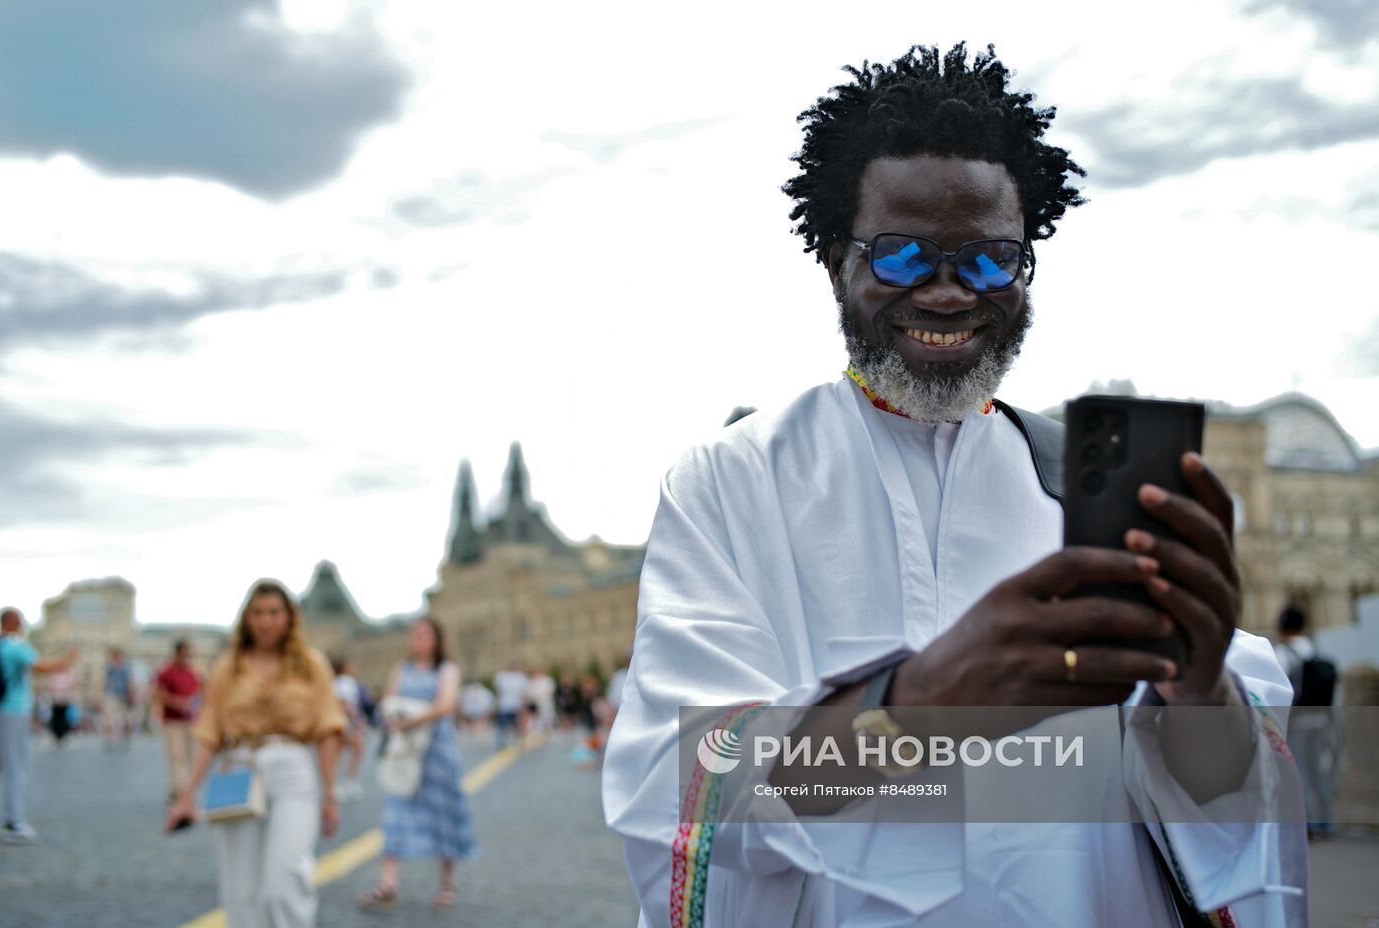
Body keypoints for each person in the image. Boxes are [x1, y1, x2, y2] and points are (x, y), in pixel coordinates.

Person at [602, 43, 1305, 927]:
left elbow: (1238, 810)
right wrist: (927, 702)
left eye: (986, 261)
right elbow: (686, 781)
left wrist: (1201, 697)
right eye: (902, 257)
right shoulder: (730, 484)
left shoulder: (1088, 494)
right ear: (833, 261)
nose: (946, 293)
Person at [164, 580, 345, 928]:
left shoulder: (311, 664)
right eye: (258, 613)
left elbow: (327, 729)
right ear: (246, 618)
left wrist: (331, 795)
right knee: (240, 885)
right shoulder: (228, 667)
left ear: (290, 617)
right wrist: (187, 796)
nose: (266, 622)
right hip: (238, 766)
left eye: (274, 613)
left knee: (286, 877)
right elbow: (209, 733)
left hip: (293, 765)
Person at [359, 617, 476, 911]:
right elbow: (388, 701)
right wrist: (395, 720)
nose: (419, 639)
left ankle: (447, 882)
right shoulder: (402, 669)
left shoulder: (446, 670)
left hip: (437, 752)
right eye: (415, 634)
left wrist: (412, 720)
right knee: (396, 813)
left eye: (425, 634)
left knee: (444, 815)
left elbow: (446, 704)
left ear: (436, 639)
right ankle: (388, 883)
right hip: (407, 753)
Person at [0, 608, 77, 842]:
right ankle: (13, 821)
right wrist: (70, 657)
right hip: (12, 710)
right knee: (15, 765)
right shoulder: (16, 647)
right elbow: (47, 667)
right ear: (12, 622)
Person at [1275, 604, 1337, 837]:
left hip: (1298, 721)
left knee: (1298, 770)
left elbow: (1280, 691)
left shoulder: (1284, 653)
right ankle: (1326, 821)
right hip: (1321, 718)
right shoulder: (1314, 650)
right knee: (1319, 769)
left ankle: (1309, 823)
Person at [154, 639, 202, 802]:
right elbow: (158, 694)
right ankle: (177, 790)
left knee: (189, 756)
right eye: (185, 653)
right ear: (178, 653)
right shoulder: (166, 672)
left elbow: (199, 692)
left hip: (190, 720)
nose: (188, 657)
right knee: (176, 755)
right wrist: (177, 702)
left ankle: (184, 788)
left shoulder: (191, 672)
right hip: (173, 720)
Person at [330, 655, 366, 802]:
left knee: (343, 751)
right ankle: (346, 783)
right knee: (356, 750)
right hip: (347, 721)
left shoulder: (337, 681)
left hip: (342, 721)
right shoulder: (346, 682)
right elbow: (344, 702)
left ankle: (342, 783)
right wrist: (354, 719)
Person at [101, 648, 135, 748]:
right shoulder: (109, 668)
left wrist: (132, 694)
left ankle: (125, 736)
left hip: (123, 695)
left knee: (126, 718)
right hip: (112, 694)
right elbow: (105, 682)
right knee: (109, 717)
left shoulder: (125, 668)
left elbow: (130, 683)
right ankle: (110, 737)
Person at [491, 659, 528, 746]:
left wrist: (523, 706)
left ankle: (519, 741)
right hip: (504, 705)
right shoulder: (501, 676)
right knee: (503, 725)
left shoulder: (521, 677)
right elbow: (498, 691)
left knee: (517, 725)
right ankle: (502, 741)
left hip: (516, 705)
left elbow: (524, 693)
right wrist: (497, 704)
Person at [45, 664, 80, 747]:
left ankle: (62, 734)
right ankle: (57, 735)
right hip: (56, 700)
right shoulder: (54, 675)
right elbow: (49, 685)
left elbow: (74, 683)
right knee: (56, 718)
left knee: (63, 718)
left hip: (64, 699)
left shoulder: (68, 675)